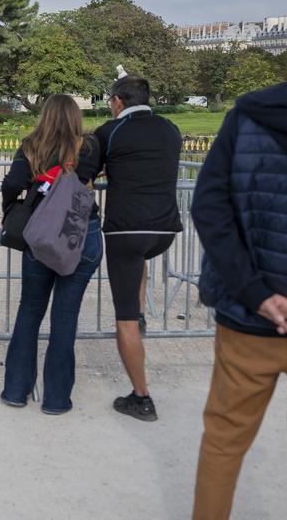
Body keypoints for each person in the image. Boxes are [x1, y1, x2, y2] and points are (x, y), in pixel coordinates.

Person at [190, 82, 287, 519]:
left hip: (251, 311)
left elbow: (210, 207)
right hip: (251, 307)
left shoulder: (247, 116)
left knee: (223, 444)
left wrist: (256, 293)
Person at [0, 94, 103, 414]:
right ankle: (57, 398)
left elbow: (13, 183)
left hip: (42, 235)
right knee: (65, 316)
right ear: (75, 116)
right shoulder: (88, 147)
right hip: (80, 235)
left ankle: (16, 390)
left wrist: (11, 210)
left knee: (30, 310)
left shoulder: (32, 145)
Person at [93, 76, 182, 421]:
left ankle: (141, 397)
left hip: (127, 230)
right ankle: (142, 314)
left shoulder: (110, 131)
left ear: (117, 101)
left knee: (123, 317)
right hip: (165, 229)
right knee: (140, 263)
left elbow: (88, 172)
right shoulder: (171, 129)